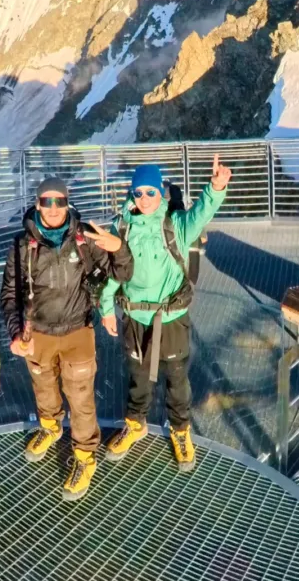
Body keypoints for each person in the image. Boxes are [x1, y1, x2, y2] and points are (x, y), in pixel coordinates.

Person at [0, 176, 133, 501]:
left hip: (77, 331)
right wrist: (16, 332)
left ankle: (85, 457)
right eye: (47, 201)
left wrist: (119, 249)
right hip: (38, 333)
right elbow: (10, 295)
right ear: (37, 204)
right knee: (43, 387)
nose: (53, 208)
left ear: (68, 202)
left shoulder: (85, 238)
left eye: (59, 201)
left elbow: (122, 274)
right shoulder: (21, 245)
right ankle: (50, 427)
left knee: (81, 398)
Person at [100, 154, 232, 472]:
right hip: (134, 318)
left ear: (161, 193)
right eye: (138, 192)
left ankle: (180, 429)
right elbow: (112, 272)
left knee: (176, 378)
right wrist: (106, 309)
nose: (144, 198)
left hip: (170, 318)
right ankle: (135, 424)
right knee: (138, 376)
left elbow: (201, 213)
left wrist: (216, 188)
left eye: (151, 192)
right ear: (132, 193)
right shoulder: (120, 227)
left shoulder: (175, 225)